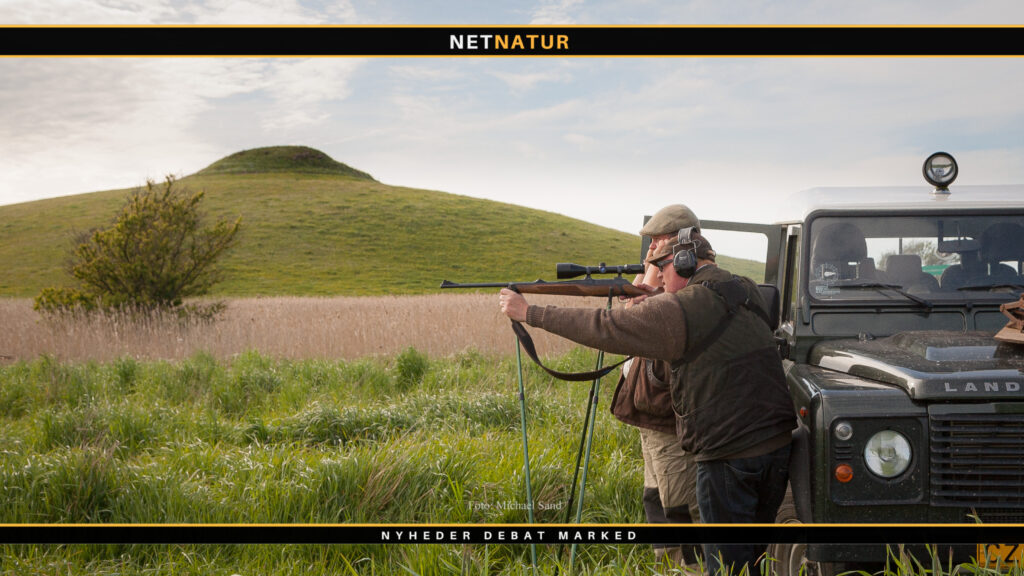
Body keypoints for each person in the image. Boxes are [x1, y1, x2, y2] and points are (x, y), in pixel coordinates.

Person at [500, 221, 796, 575]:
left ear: (683, 264)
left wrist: (530, 313)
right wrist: (656, 301)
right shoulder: (745, 288)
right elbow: (709, 313)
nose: (659, 278)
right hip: (776, 444)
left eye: (661, 269)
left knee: (725, 565)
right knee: (754, 557)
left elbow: (605, 327)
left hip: (728, 453)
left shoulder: (680, 309)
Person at [611, 205, 702, 569]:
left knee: (680, 511)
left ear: (679, 243)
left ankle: (691, 570)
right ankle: (666, 566)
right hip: (650, 417)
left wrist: (646, 285)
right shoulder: (663, 282)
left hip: (669, 423)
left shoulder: (683, 287)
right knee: (656, 500)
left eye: (657, 241)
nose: (649, 249)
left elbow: (633, 323)